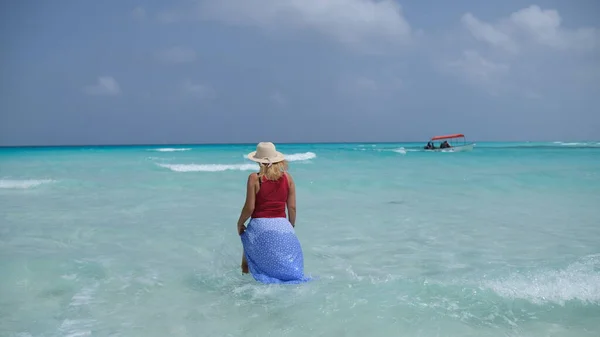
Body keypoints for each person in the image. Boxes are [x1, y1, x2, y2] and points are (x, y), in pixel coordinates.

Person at [236, 142, 311, 284]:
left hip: (260, 226)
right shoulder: (288, 178)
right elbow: (292, 207)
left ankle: (243, 284)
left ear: (259, 161)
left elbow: (249, 207)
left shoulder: (254, 178)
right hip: (283, 226)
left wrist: (240, 223)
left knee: (247, 259)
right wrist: (290, 226)